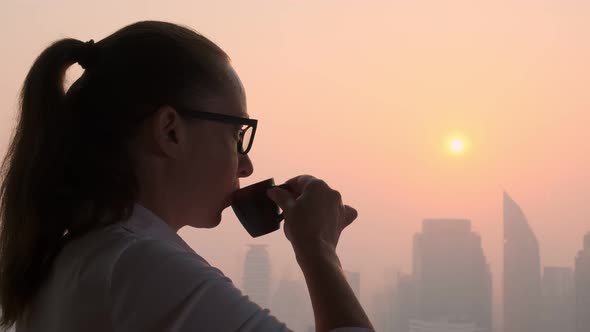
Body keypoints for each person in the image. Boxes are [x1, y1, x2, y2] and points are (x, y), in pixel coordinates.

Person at [0, 21, 374, 332]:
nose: (246, 167)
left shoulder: (68, 261)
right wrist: (319, 250)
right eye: (237, 136)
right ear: (170, 131)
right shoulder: (141, 267)